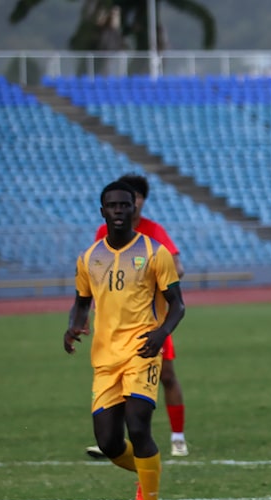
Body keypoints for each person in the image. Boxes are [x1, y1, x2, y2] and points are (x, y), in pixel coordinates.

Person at [64, 181, 185, 500]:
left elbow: (178, 305)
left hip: (143, 351)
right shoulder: (89, 258)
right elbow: (81, 303)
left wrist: (161, 333)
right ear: (102, 212)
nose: (118, 210)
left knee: (138, 426)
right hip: (105, 359)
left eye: (124, 205)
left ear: (134, 210)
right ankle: (145, 472)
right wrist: (73, 326)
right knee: (109, 442)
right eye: (112, 206)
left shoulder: (154, 252)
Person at [86, 173, 190, 458]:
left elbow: (177, 268)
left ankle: (177, 436)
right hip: (114, 327)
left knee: (166, 376)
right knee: (117, 381)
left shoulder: (153, 232)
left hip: (149, 321)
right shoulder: (102, 234)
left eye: (135, 197)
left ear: (139, 201)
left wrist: (148, 277)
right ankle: (117, 440)